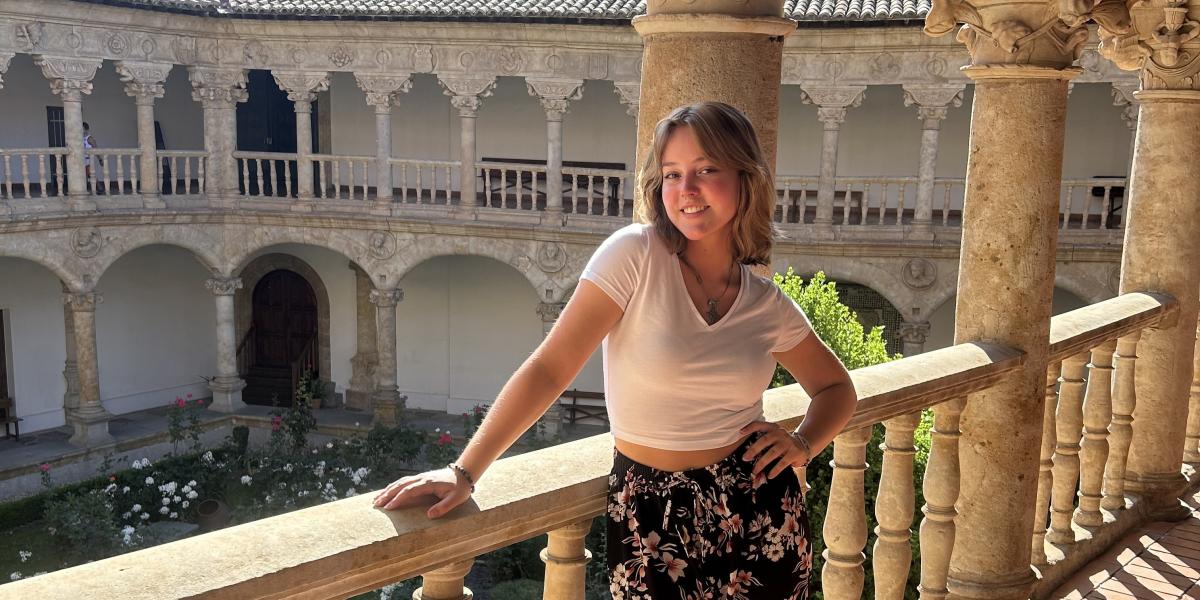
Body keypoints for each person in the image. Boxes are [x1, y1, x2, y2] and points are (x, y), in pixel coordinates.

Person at [373, 101, 858, 599]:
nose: (686, 190)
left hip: (758, 511)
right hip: (649, 512)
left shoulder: (764, 303)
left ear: (745, 178)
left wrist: (802, 444)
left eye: (707, 170)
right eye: (673, 174)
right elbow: (550, 366)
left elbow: (837, 388)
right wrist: (464, 472)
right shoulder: (636, 256)